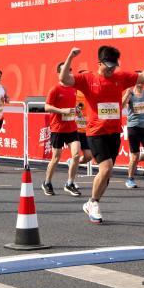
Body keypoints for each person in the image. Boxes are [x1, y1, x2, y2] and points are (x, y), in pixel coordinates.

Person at [59, 45, 144, 223]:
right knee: (105, 168)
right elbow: (64, 78)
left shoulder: (120, 76)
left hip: (114, 132)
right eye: (108, 66)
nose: (111, 70)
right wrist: (70, 57)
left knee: (107, 173)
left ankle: (93, 202)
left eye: (114, 66)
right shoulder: (87, 78)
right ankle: (93, 202)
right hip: (95, 132)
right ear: (99, 63)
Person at [42, 62, 82, 197]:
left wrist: (76, 111)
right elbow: (47, 107)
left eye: (70, 70)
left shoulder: (73, 88)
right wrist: (62, 111)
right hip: (57, 128)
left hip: (71, 128)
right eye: (66, 71)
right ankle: (47, 182)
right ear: (59, 73)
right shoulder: (55, 89)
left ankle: (70, 183)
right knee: (56, 158)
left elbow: (72, 106)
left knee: (76, 155)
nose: (69, 73)